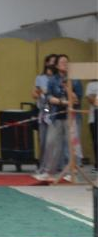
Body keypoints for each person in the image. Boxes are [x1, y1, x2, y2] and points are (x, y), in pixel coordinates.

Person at [38, 54, 84, 183]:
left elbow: (77, 99)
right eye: (62, 62)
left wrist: (67, 88)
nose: (65, 64)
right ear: (57, 66)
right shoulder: (53, 80)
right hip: (56, 115)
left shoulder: (75, 80)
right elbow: (48, 97)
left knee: (71, 144)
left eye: (67, 62)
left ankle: (72, 172)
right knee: (51, 142)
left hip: (72, 116)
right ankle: (49, 171)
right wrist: (60, 101)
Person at [34, 54, 59, 167]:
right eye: (51, 62)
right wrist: (40, 92)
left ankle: (56, 164)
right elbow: (35, 93)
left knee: (54, 140)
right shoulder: (40, 78)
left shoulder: (58, 79)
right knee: (43, 140)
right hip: (44, 110)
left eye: (55, 62)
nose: (52, 64)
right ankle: (43, 165)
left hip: (56, 111)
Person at [87, 77, 98, 173]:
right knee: (96, 142)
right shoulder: (91, 84)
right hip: (94, 118)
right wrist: (94, 98)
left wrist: (95, 96)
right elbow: (92, 100)